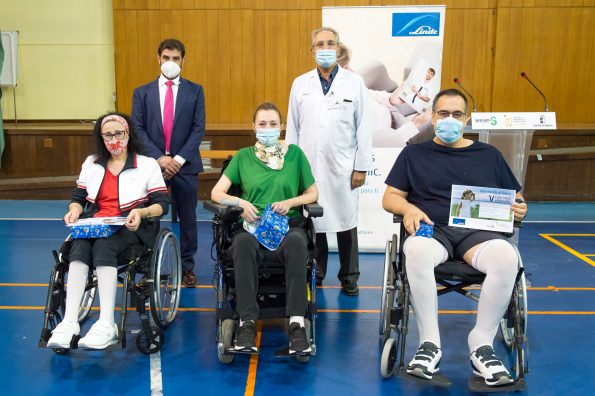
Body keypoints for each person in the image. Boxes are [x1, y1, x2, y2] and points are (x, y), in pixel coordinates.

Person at [381, 89, 528, 386]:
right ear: (433, 116)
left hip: (479, 232)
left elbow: (516, 197)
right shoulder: (414, 153)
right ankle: (429, 345)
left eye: (457, 115)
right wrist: (407, 208)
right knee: (417, 250)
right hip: (432, 229)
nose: (450, 120)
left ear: (467, 118)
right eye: (444, 114)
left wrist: (520, 207)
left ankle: (482, 345)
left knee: (506, 256)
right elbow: (390, 197)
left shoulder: (488, 155)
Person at [47, 112, 169, 350]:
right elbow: (78, 198)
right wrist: (74, 210)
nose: (114, 139)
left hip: (131, 226)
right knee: (78, 248)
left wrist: (141, 213)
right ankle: (70, 321)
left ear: (128, 134)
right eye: (108, 135)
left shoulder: (146, 164)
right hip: (96, 223)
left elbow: (161, 204)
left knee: (104, 246)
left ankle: (106, 323)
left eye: (118, 133)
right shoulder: (91, 163)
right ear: (101, 137)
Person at [211, 102, 318, 353]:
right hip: (252, 227)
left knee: (296, 242)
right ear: (253, 127)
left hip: (286, 226)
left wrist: (291, 202)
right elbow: (217, 192)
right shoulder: (243, 157)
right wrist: (241, 202)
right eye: (262, 124)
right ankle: (247, 322)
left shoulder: (295, 155)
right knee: (242, 243)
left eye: (272, 124)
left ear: (281, 127)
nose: (267, 128)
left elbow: (313, 193)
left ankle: (296, 324)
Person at [286, 27, 372, 295]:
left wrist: (361, 166)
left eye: (330, 43)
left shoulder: (354, 83)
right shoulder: (300, 84)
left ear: (338, 48)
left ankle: (349, 276)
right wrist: (291, 169)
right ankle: (317, 272)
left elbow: (364, 127)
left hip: (344, 166)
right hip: (309, 166)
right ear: (312, 50)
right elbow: (292, 128)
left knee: (346, 222)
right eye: (319, 44)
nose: (325, 48)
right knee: (315, 221)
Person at [131, 38, 205, 287]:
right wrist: (160, 159)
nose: (170, 63)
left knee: (188, 219)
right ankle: (148, 268)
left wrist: (177, 160)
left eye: (176, 58)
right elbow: (137, 129)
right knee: (149, 217)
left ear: (183, 60)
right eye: (166, 58)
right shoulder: (142, 93)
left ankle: (187, 268)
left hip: (186, 166)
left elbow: (198, 129)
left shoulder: (195, 91)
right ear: (158, 59)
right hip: (152, 167)